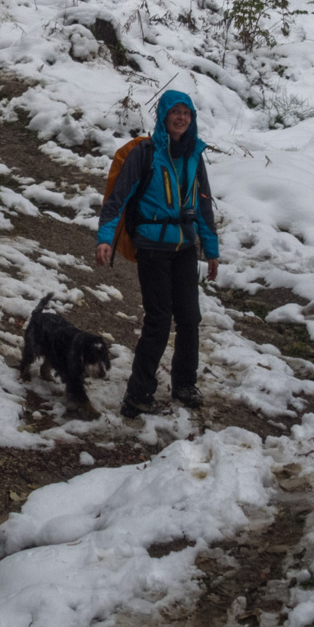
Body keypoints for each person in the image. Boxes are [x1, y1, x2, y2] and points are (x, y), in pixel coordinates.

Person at [95, 89, 220, 418]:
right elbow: (117, 199)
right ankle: (138, 393)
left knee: (190, 319)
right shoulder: (146, 152)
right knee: (159, 321)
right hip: (151, 246)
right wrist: (105, 238)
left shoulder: (194, 154)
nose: (181, 118)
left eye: (186, 113)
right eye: (175, 112)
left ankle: (184, 384)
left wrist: (211, 248)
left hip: (183, 247)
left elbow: (203, 203)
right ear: (163, 116)